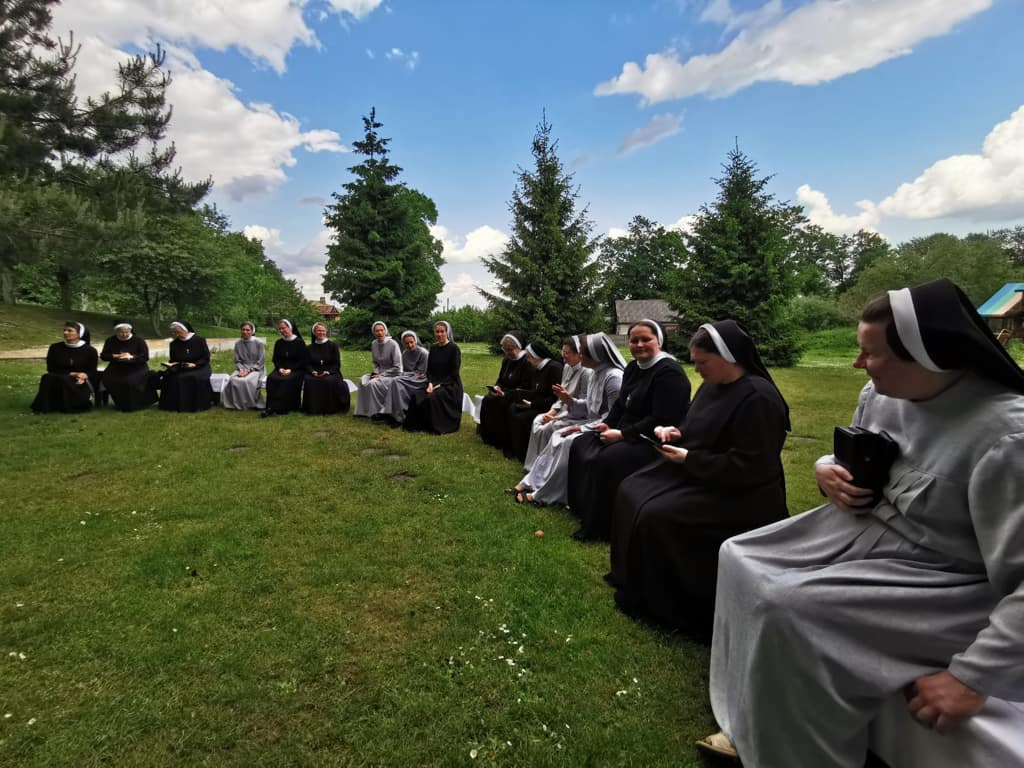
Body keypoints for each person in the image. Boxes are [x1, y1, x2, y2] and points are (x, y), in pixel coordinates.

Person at [702, 279, 1024, 767]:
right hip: (859, 530)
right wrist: (825, 470)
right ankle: (750, 719)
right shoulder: (880, 392)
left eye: (871, 354)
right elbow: (854, 453)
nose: (858, 364)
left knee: (790, 606)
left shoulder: (1006, 436)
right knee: (738, 555)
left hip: (948, 579)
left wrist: (973, 677)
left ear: (927, 357)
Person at [608, 320, 790, 640]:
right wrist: (677, 432)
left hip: (742, 493)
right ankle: (632, 580)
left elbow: (749, 467)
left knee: (655, 514)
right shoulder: (711, 385)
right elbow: (696, 425)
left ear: (727, 357)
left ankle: (666, 604)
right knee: (631, 487)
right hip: (703, 473)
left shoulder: (759, 398)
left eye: (702, 362)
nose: (697, 369)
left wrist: (688, 459)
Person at [566, 320, 691, 541]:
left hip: (652, 439)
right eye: (634, 340)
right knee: (580, 444)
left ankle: (602, 526)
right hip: (626, 431)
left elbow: (662, 418)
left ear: (659, 341)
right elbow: (621, 404)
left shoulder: (670, 373)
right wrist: (608, 424)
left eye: (646, 339)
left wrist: (622, 435)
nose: (639, 345)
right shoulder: (633, 368)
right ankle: (582, 509)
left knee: (609, 459)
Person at [513, 332, 625, 506]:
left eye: (582, 353)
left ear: (594, 354)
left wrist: (582, 428)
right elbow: (589, 406)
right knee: (556, 436)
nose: (579, 356)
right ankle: (533, 481)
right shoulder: (596, 373)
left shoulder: (613, 377)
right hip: (589, 421)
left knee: (564, 440)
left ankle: (547, 494)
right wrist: (569, 400)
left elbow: (613, 417)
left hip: (603, 428)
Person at [522, 336, 591, 472]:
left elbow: (584, 405)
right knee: (538, 420)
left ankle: (545, 469)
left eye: (567, 353)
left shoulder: (586, 372)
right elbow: (560, 398)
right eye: (562, 352)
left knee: (548, 427)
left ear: (578, 354)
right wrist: (551, 412)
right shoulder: (567, 367)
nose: (563, 356)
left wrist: (557, 417)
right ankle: (532, 464)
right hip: (562, 410)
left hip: (576, 416)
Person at [502, 340, 565, 462]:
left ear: (537, 357)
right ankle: (513, 448)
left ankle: (523, 453)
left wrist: (532, 404)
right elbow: (535, 390)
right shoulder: (537, 368)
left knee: (522, 418)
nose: (527, 360)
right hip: (536, 403)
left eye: (529, 357)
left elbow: (554, 398)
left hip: (549, 408)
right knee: (512, 408)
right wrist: (522, 397)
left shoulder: (555, 368)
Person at [402, 320, 463, 434]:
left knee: (433, 397)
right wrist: (430, 383)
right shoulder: (433, 348)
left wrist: (439, 385)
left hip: (450, 384)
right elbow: (429, 370)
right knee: (417, 395)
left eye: (442, 331)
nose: (439, 334)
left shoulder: (454, 348)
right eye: (437, 332)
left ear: (447, 332)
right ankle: (418, 425)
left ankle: (436, 426)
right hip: (433, 382)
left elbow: (454, 373)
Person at [477, 331, 530, 449]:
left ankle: (501, 440)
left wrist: (505, 394)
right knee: (487, 400)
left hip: (516, 395)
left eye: (510, 350)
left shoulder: (527, 362)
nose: (508, 353)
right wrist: (496, 388)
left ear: (519, 347)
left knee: (501, 404)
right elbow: (501, 379)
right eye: (505, 350)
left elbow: (525, 386)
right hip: (503, 392)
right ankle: (488, 436)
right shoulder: (506, 360)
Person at [30, 322, 98, 413]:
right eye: (64, 330)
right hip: (58, 376)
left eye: (70, 330)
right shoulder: (55, 348)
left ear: (79, 334)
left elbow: (92, 370)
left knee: (66, 380)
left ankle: (73, 405)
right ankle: (46, 406)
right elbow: (51, 368)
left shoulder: (90, 350)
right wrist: (72, 373)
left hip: (80, 380)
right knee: (47, 377)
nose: (65, 333)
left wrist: (84, 375)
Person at [99, 322, 157, 412]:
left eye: (126, 332)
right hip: (117, 366)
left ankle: (135, 405)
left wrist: (131, 357)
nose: (124, 334)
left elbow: (145, 357)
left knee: (129, 381)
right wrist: (116, 356)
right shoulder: (110, 340)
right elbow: (104, 356)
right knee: (109, 379)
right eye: (121, 332)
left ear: (130, 331)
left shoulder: (139, 340)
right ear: (116, 332)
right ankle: (120, 404)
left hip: (137, 367)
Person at [158, 321, 212, 412]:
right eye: (175, 332)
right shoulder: (174, 343)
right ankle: (172, 406)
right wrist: (171, 364)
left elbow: (206, 357)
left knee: (191, 377)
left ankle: (193, 406)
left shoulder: (199, 340)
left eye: (178, 332)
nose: (177, 334)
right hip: (181, 367)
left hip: (199, 367)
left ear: (185, 330)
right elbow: (173, 359)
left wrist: (195, 364)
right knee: (169, 377)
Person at [379, 330, 429, 426]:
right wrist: (406, 375)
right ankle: (392, 413)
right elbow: (405, 370)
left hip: (420, 380)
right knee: (395, 382)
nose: (410, 345)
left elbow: (421, 373)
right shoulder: (405, 353)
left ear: (415, 341)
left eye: (411, 342)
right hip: (409, 378)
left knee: (396, 381)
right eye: (407, 343)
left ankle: (398, 415)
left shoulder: (424, 353)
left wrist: (406, 375)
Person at [354, 320, 402, 418]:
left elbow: (398, 367)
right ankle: (362, 411)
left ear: (385, 331)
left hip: (392, 375)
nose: (379, 333)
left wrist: (382, 375)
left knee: (373, 383)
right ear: (374, 332)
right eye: (377, 331)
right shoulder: (374, 344)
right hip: (378, 373)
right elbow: (375, 363)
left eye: (381, 330)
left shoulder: (393, 344)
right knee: (363, 380)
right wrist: (375, 373)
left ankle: (377, 411)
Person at [302, 322, 350, 415]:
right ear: (314, 332)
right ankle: (313, 409)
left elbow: (336, 364)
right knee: (309, 380)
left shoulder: (333, 346)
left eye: (323, 331)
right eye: (318, 331)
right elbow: (307, 364)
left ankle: (329, 409)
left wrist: (328, 372)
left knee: (328, 381)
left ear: (326, 332)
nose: (321, 333)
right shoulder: (309, 348)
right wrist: (312, 371)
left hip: (331, 372)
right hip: (315, 372)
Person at [262, 319, 308, 417]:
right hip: (281, 369)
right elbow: (275, 359)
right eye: (280, 329)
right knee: (272, 378)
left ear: (290, 328)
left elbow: (303, 360)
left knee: (286, 380)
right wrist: (279, 368)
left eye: (284, 328)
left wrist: (290, 370)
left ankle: (284, 408)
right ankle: (270, 407)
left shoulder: (299, 342)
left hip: (297, 370)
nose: (281, 330)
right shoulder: (279, 342)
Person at [222, 321, 265, 410]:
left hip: (256, 368)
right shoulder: (238, 343)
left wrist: (249, 370)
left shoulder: (259, 343)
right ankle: (235, 403)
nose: (245, 332)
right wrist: (241, 370)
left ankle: (249, 404)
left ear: (252, 331)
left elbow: (261, 361)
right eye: (243, 329)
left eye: (248, 330)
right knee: (233, 379)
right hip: (242, 368)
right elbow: (237, 361)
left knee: (246, 381)